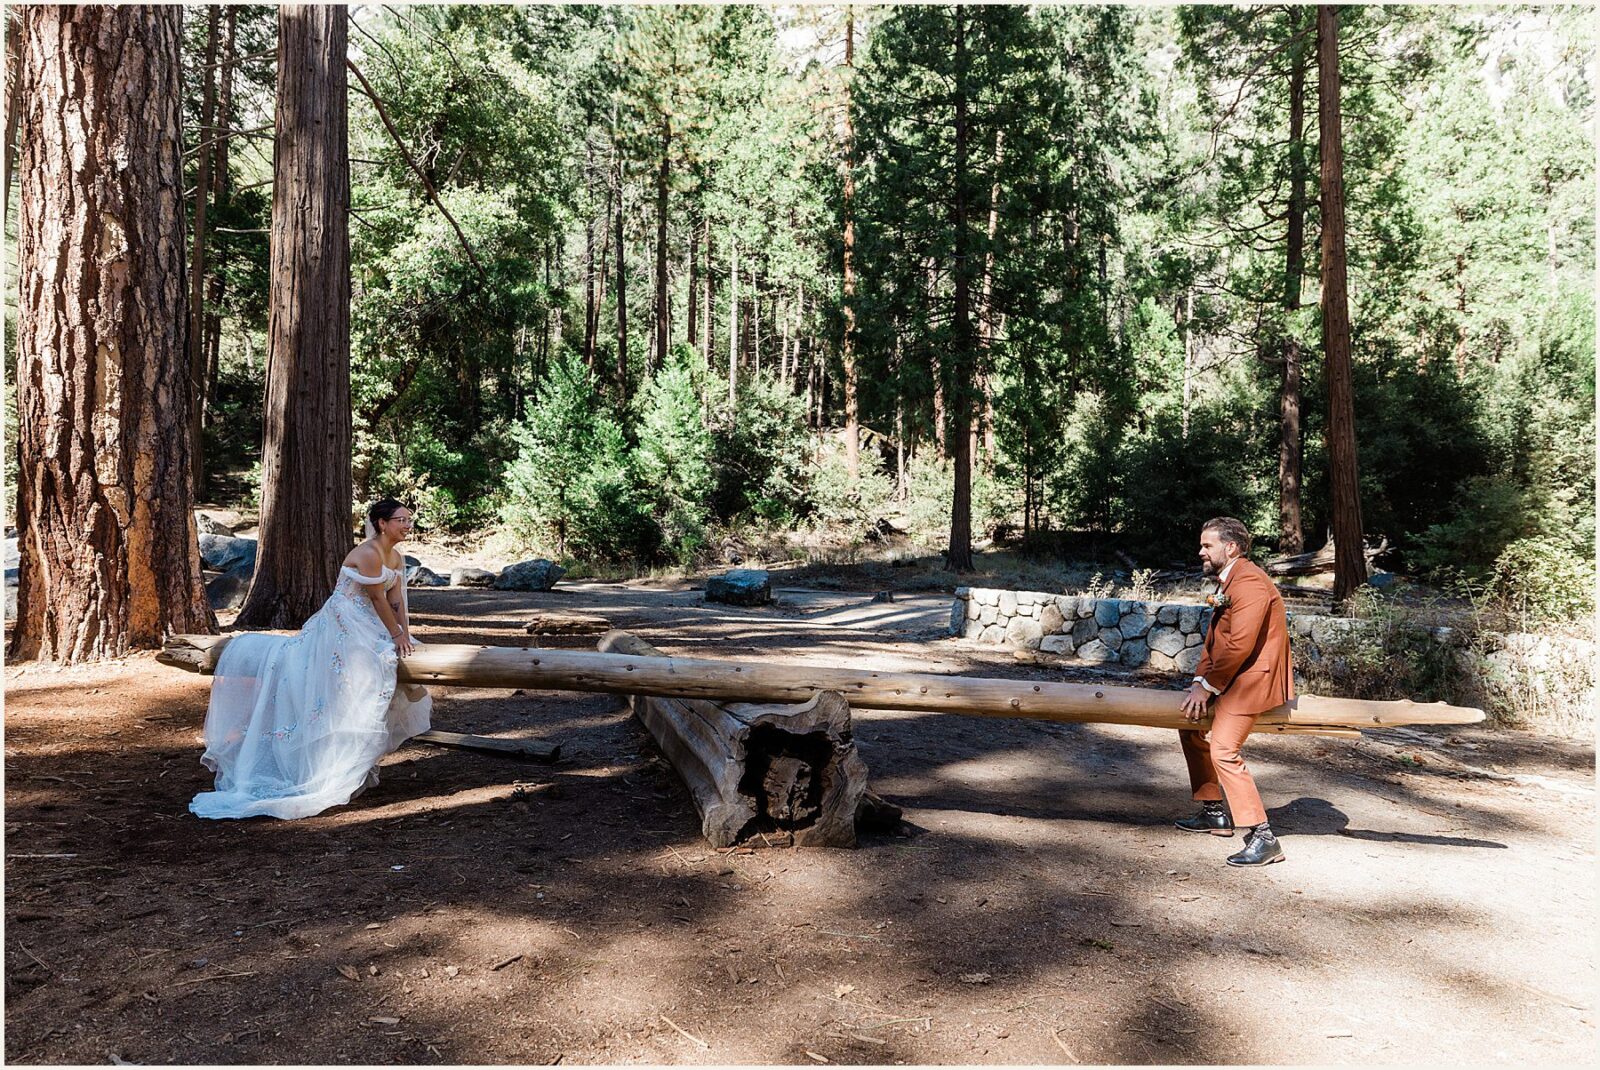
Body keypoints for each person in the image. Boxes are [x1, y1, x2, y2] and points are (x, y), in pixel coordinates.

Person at [190, 499, 432, 820]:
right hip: (345, 619)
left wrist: (403, 632)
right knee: (374, 662)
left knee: (394, 653)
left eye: (409, 520)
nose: (407, 525)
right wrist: (395, 636)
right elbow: (374, 597)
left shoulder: (397, 556)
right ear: (382, 523)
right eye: (401, 519)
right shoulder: (369, 553)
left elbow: (393, 600)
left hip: (369, 619)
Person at [1175, 517, 1293, 866]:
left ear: (1231, 547)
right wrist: (1199, 682)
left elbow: (1240, 644)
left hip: (1254, 679)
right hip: (1232, 677)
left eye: (1207, 545)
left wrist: (1210, 686)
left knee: (1224, 749)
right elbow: (1216, 642)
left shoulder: (1251, 582)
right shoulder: (1231, 580)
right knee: (1191, 725)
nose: (1201, 552)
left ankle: (1263, 837)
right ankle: (1214, 811)